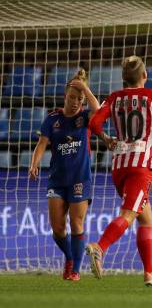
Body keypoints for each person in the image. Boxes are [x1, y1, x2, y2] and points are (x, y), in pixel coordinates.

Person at [85, 56, 152, 287]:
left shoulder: (114, 98)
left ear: (123, 78)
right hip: (141, 166)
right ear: (144, 76)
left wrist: (106, 139)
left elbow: (95, 123)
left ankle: (150, 272)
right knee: (129, 215)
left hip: (119, 165)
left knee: (146, 218)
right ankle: (100, 247)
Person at [29, 69, 101, 281]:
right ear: (64, 96)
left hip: (80, 179)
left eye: (79, 99)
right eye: (71, 98)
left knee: (77, 223)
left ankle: (76, 270)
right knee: (58, 229)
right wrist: (34, 164)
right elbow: (42, 143)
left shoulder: (85, 117)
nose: (75, 102)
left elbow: (98, 109)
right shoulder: (53, 118)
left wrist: (85, 89)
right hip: (57, 180)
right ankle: (70, 256)